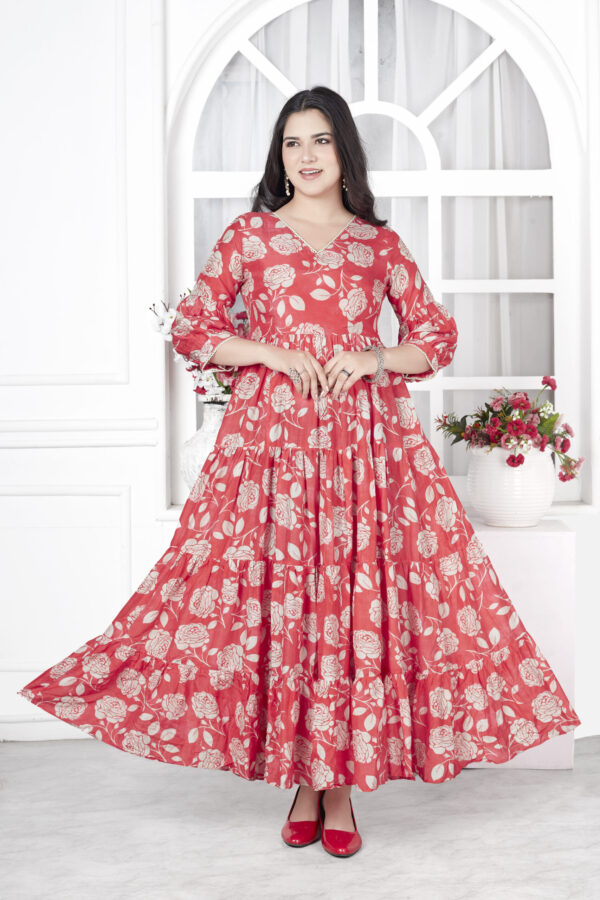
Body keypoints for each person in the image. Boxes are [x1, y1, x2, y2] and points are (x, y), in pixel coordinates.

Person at [17, 85, 581, 859]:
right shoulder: (250, 236)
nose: (306, 155)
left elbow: (436, 338)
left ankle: (336, 787)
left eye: (320, 140)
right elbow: (194, 328)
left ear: (344, 149)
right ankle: (303, 778)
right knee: (286, 603)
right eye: (292, 142)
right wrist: (272, 352)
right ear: (279, 157)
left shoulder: (377, 245)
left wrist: (373, 356)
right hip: (270, 450)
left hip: (363, 451)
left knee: (349, 605)